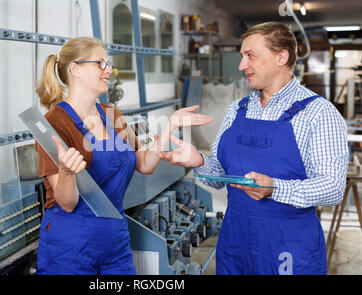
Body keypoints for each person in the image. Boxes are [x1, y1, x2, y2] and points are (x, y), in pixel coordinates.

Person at [158, 22, 348, 275]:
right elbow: (220, 175)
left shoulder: (319, 113)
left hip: (288, 245)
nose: (241, 65)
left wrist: (274, 188)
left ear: (282, 57)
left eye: (251, 56)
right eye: (242, 56)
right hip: (236, 240)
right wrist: (199, 162)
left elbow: (333, 188)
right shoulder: (237, 109)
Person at [34, 36, 213, 275]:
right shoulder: (54, 124)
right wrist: (67, 173)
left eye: (109, 63)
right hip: (71, 245)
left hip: (115, 239)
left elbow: (145, 163)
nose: (109, 70)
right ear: (74, 69)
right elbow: (67, 203)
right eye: (100, 63)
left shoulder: (112, 115)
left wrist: (170, 126)